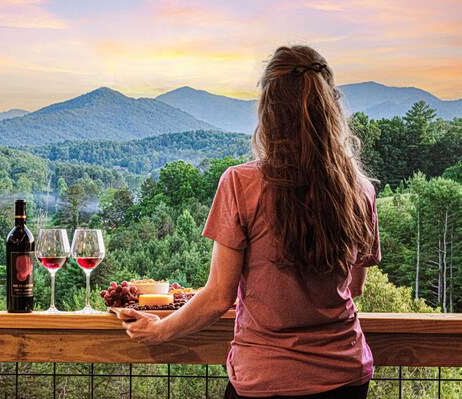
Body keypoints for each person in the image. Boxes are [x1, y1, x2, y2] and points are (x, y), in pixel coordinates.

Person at [121, 45, 381, 399]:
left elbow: (218, 297)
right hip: (345, 376)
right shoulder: (359, 190)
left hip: (265, 379)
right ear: (330, 110)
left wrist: (161, 330)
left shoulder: (241, 184)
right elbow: (353, 287)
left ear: (269, 111)